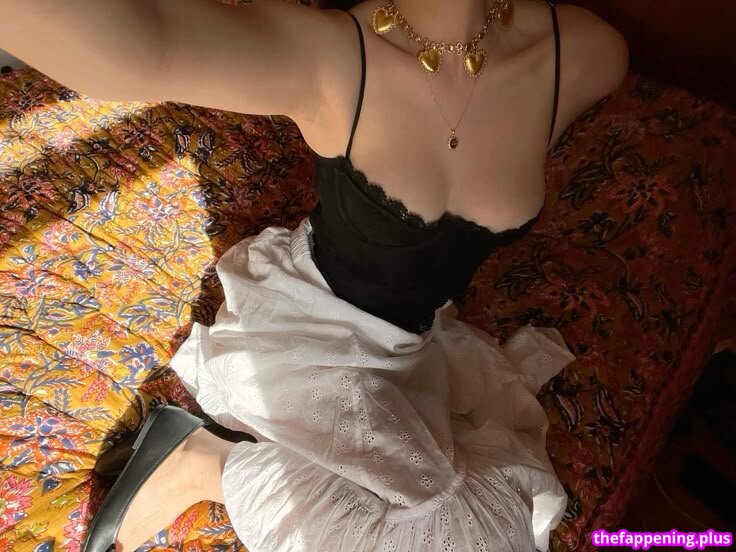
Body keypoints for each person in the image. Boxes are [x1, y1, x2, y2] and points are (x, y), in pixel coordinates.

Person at [3, 0, 628, 550]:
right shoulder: (335, 57)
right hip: (310, 330)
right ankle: (205, 462)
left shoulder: (584, 53)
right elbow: (140, 42)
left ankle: (211, 462)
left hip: (418, 349)